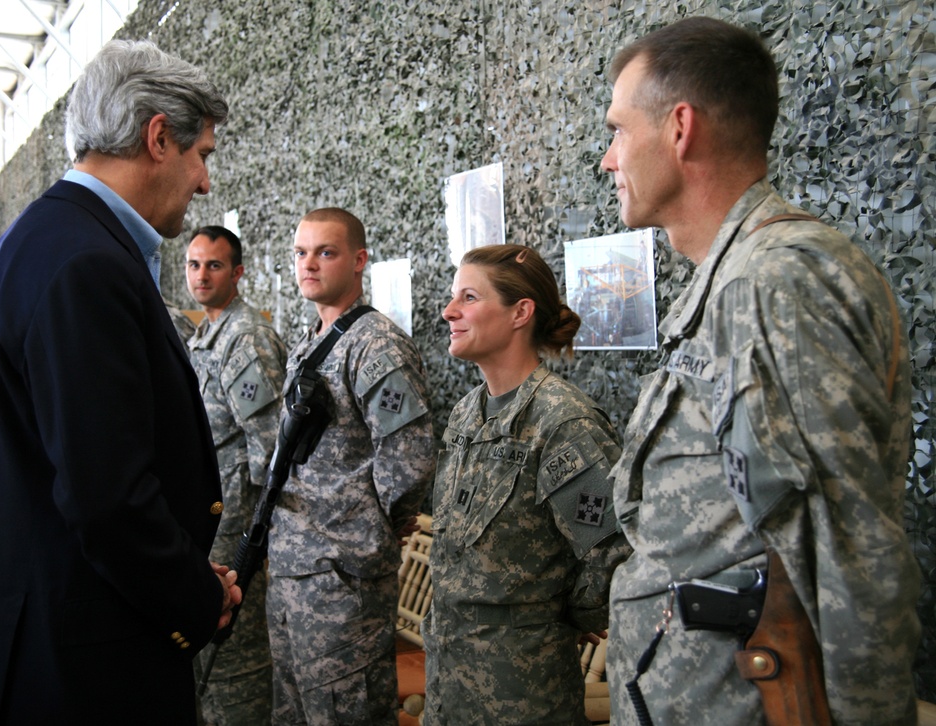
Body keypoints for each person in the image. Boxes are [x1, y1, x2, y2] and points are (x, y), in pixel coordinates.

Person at [599, 17, 920, 724]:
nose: (607, 159)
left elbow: (852, 565)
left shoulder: (774, 285)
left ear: (680, 128)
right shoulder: (729, 283)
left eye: (618, 131)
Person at [0, 39, 241, 725]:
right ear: (158, 137)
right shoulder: (86, 263)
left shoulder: (45, 238)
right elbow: (107, 496)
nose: (205, 183)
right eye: (204, 156)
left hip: (55, 636)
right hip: (80, 665)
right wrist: (197, 595)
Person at [424, 244, 631, 725]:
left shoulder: (561, 420)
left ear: (520, 312)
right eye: (454, 296)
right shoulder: (466, 412)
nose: (448, 311)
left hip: (521, 689)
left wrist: (562, 617)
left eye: (469, 297)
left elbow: (614, 548)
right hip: (449, 678)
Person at [266, 207, 436, 725]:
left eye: (326, 252)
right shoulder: (311, 342)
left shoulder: (374, 344)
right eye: (301, 252)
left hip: (341, 578)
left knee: (346, 713)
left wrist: (370, 528)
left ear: (359, 260)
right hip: (294, 567)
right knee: (295, 712)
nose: (309, 264)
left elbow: (411, 454)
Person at [186, 225, 287, 725]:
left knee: (237, 667)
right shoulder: (206, 333)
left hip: (236, 535)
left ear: (238, 273)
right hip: (209, 528)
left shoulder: (245, 339)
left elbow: (271, 449)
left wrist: (257, 539)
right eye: (194, 264)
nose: (201, 275)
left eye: (215, 265)